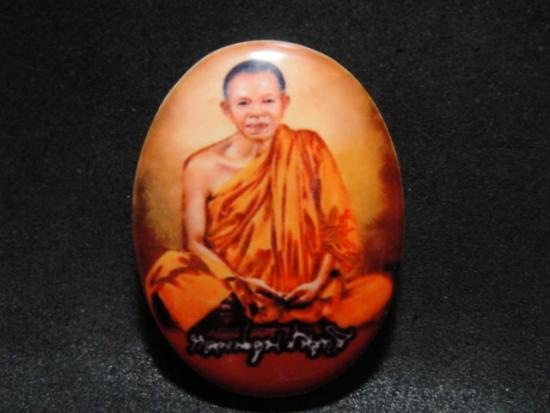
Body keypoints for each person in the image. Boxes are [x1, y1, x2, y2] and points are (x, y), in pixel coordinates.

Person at [145, 60, 392, 332]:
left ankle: (255, 317)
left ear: (284, 103)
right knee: (169, 271)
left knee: (379, 286)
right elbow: (195, 243)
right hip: (235, 288)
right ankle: (249, 311)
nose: (257, 113)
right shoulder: (201, 166)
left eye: (268, 101)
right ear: (226, 109)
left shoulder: (309, 148)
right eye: (243, 103)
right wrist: (238, 282)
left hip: (307, 290)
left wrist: (317, 283)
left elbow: (338, 228)